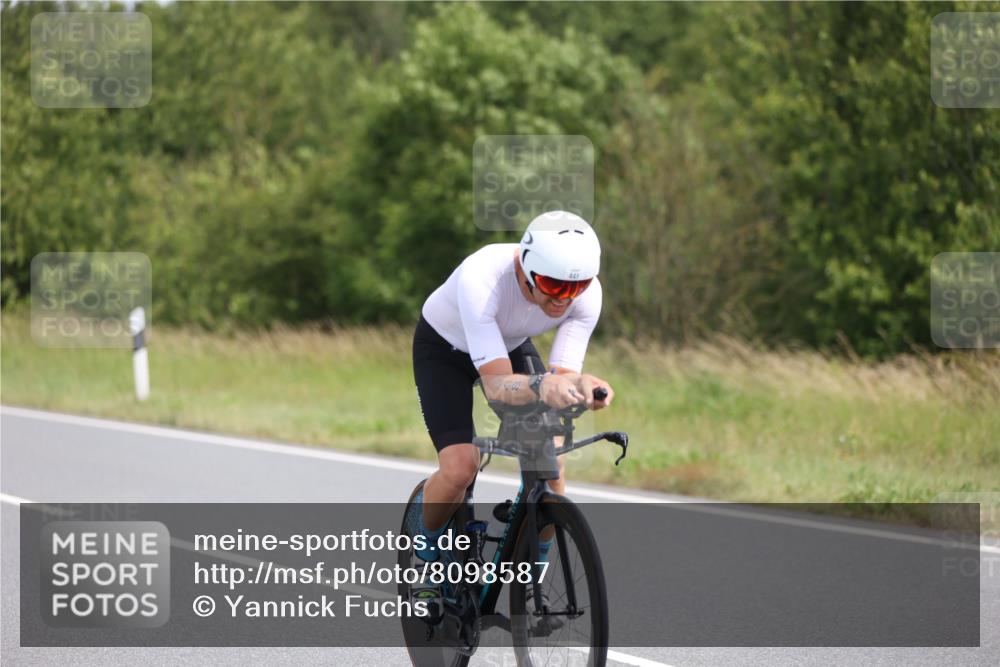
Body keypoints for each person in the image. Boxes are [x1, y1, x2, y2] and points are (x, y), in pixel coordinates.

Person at [411, 210, 615, 563]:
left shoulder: (586, 293)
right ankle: (424, 541)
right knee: (462, 465)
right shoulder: (484, 276)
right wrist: (543, 384)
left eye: (577, 287)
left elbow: (563, 375)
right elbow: (497, 385)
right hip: (444, 350)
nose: (565, 299)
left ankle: (536, 558)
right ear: (526, 270)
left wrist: (581, 385)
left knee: (552, 459)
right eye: (554, 286)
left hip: (507, 344)